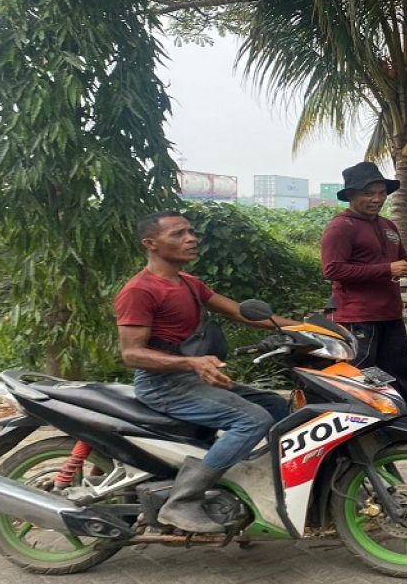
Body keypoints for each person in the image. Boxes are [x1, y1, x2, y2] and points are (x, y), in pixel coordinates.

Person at [115, 211, 300, 533]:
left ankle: (268, 484)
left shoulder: (189, 284)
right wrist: (193, 363)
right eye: (178, 234)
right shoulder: (140, 290)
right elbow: (131, 354)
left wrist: (309, 329)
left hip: (191, 378)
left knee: (277, 407)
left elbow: (244, 314)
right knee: (252, 419)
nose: (191, 239)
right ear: (151, 244)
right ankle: (182, 500)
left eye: (191, 232)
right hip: (163, 384)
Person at [320, 161, 407, 416]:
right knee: (362, 374)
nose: (377, 199)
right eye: (368, 193)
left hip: (390, 314)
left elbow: (398, 260)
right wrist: (388, 269)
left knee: (401, 371)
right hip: (358, 317)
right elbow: (332, 270)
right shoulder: (341, 227)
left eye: (381, 193)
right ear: (351, 195)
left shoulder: (388, 226)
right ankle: (363, 429)